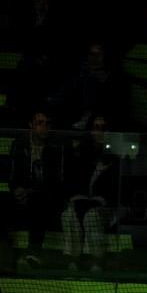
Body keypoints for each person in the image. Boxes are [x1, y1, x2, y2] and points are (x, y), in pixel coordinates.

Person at [1, 110, 67, 263]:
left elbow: (58, 181)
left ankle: (33, 253)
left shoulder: (57, 146)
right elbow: (12, 174)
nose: (44, 127)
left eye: (47, 123)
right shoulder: (19, 144)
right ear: (31, 125)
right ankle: (3, 251)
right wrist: (16, 189)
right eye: (40, 123)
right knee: (0, 199)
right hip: (23, 196)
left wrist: (32, 191)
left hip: (46, 198)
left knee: (38, 201)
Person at [59, 115, 122, 268]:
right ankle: (73, 261)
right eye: (96, 128)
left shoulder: (117, 156)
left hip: (107, 208)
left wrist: (103, 203)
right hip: (83, 203)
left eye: (104, 128)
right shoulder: (80, 153)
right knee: (68, 215)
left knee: (91, 217)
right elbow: (73, 184)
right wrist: (77, 199)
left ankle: (96, 261)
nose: (100, 132)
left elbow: (116, 190)